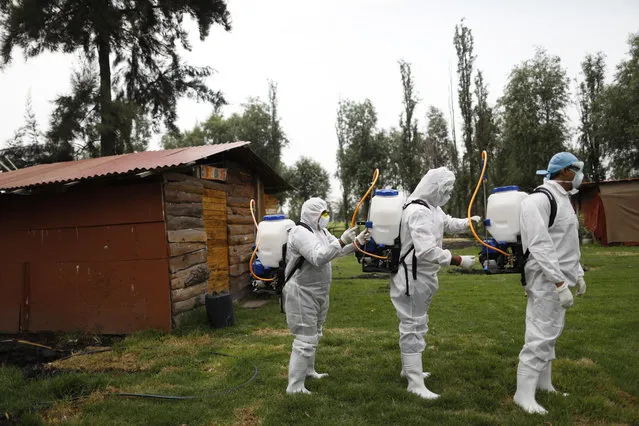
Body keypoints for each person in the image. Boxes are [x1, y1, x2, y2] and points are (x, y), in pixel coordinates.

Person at [390, 167, 480, 400]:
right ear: (433, 187)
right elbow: (427, 251)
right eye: (445, 189)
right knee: (412, 325)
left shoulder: (432, 207)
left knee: (417, 323)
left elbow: (447, 222)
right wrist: (458, 260)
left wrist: (469, 222)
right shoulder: (418, 211)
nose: (448, 193)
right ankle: (415, 384)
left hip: (424, 275)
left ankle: (410, 370)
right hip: (413, 276)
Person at [514, 152, 587, 414]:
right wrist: (558, 283)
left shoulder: (564, 199)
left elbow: (567, 242)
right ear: (565, 171)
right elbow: (540, 245)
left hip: (561, 279)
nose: (580, 173)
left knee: (551, 333)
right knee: (540, 332)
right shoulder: (538, 200)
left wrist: (576, 273)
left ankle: (544, 385)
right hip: (546, 279)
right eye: (577, 169)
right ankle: (523, 395)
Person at [283, 197, 370, 394]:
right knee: (305, 338)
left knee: (315, 333)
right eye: (322, 213)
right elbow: (318, 257)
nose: (326, 217)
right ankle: (294, 386)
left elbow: (336, 251)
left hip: (319, 291)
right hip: (301, 292)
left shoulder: (320, 231)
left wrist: (357, 242)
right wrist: (341, 240)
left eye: (326, 212)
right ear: (312, 215)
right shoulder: (300, 233)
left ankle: (309, 371)